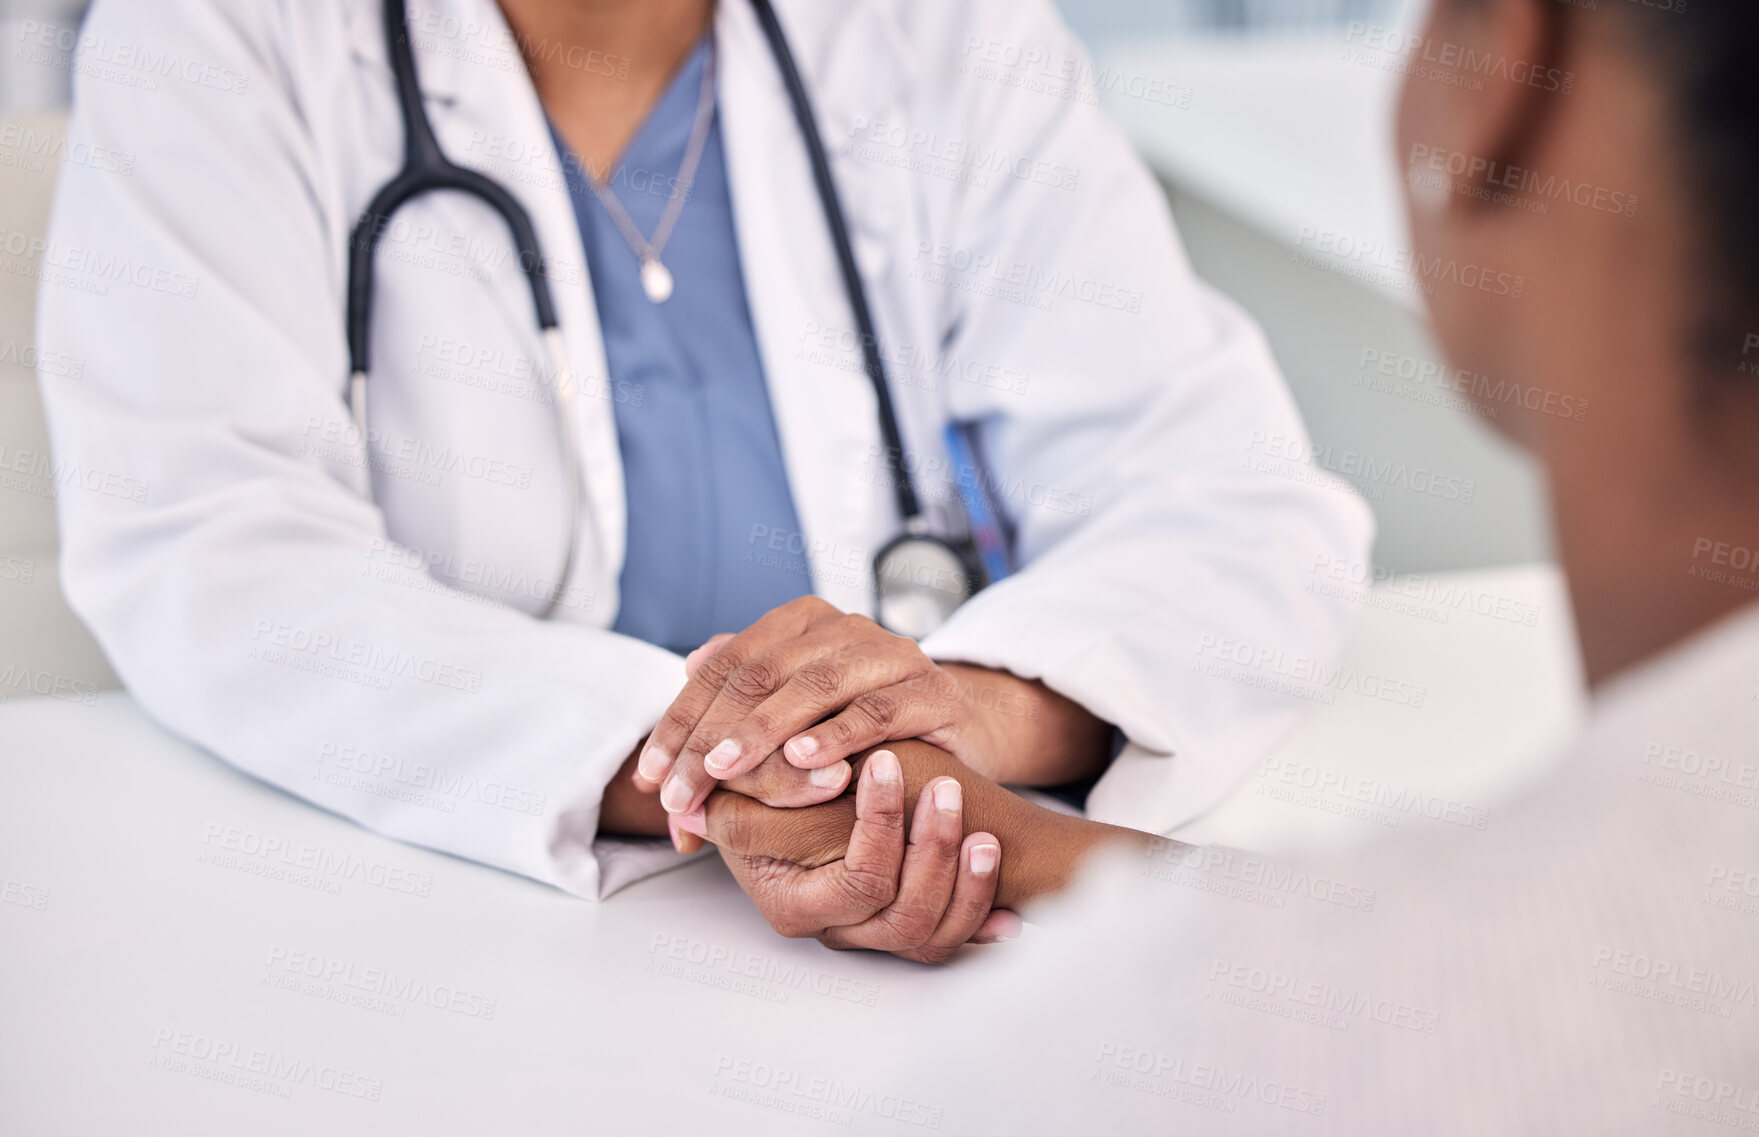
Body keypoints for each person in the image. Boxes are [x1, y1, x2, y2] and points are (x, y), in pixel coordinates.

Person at [34, 0, 1369, 946]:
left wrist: (962, 717)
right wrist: (730, 778)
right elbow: (208, 551)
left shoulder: (941, 31)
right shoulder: (214, 35)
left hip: (894, 951)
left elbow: (1232, 500)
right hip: (445, 954)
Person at [699, 0, 1756, 1127]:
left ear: (1505, 64)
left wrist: (917, 754)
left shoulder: (1152, 1056)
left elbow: (1458, 982)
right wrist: (1017, 825)